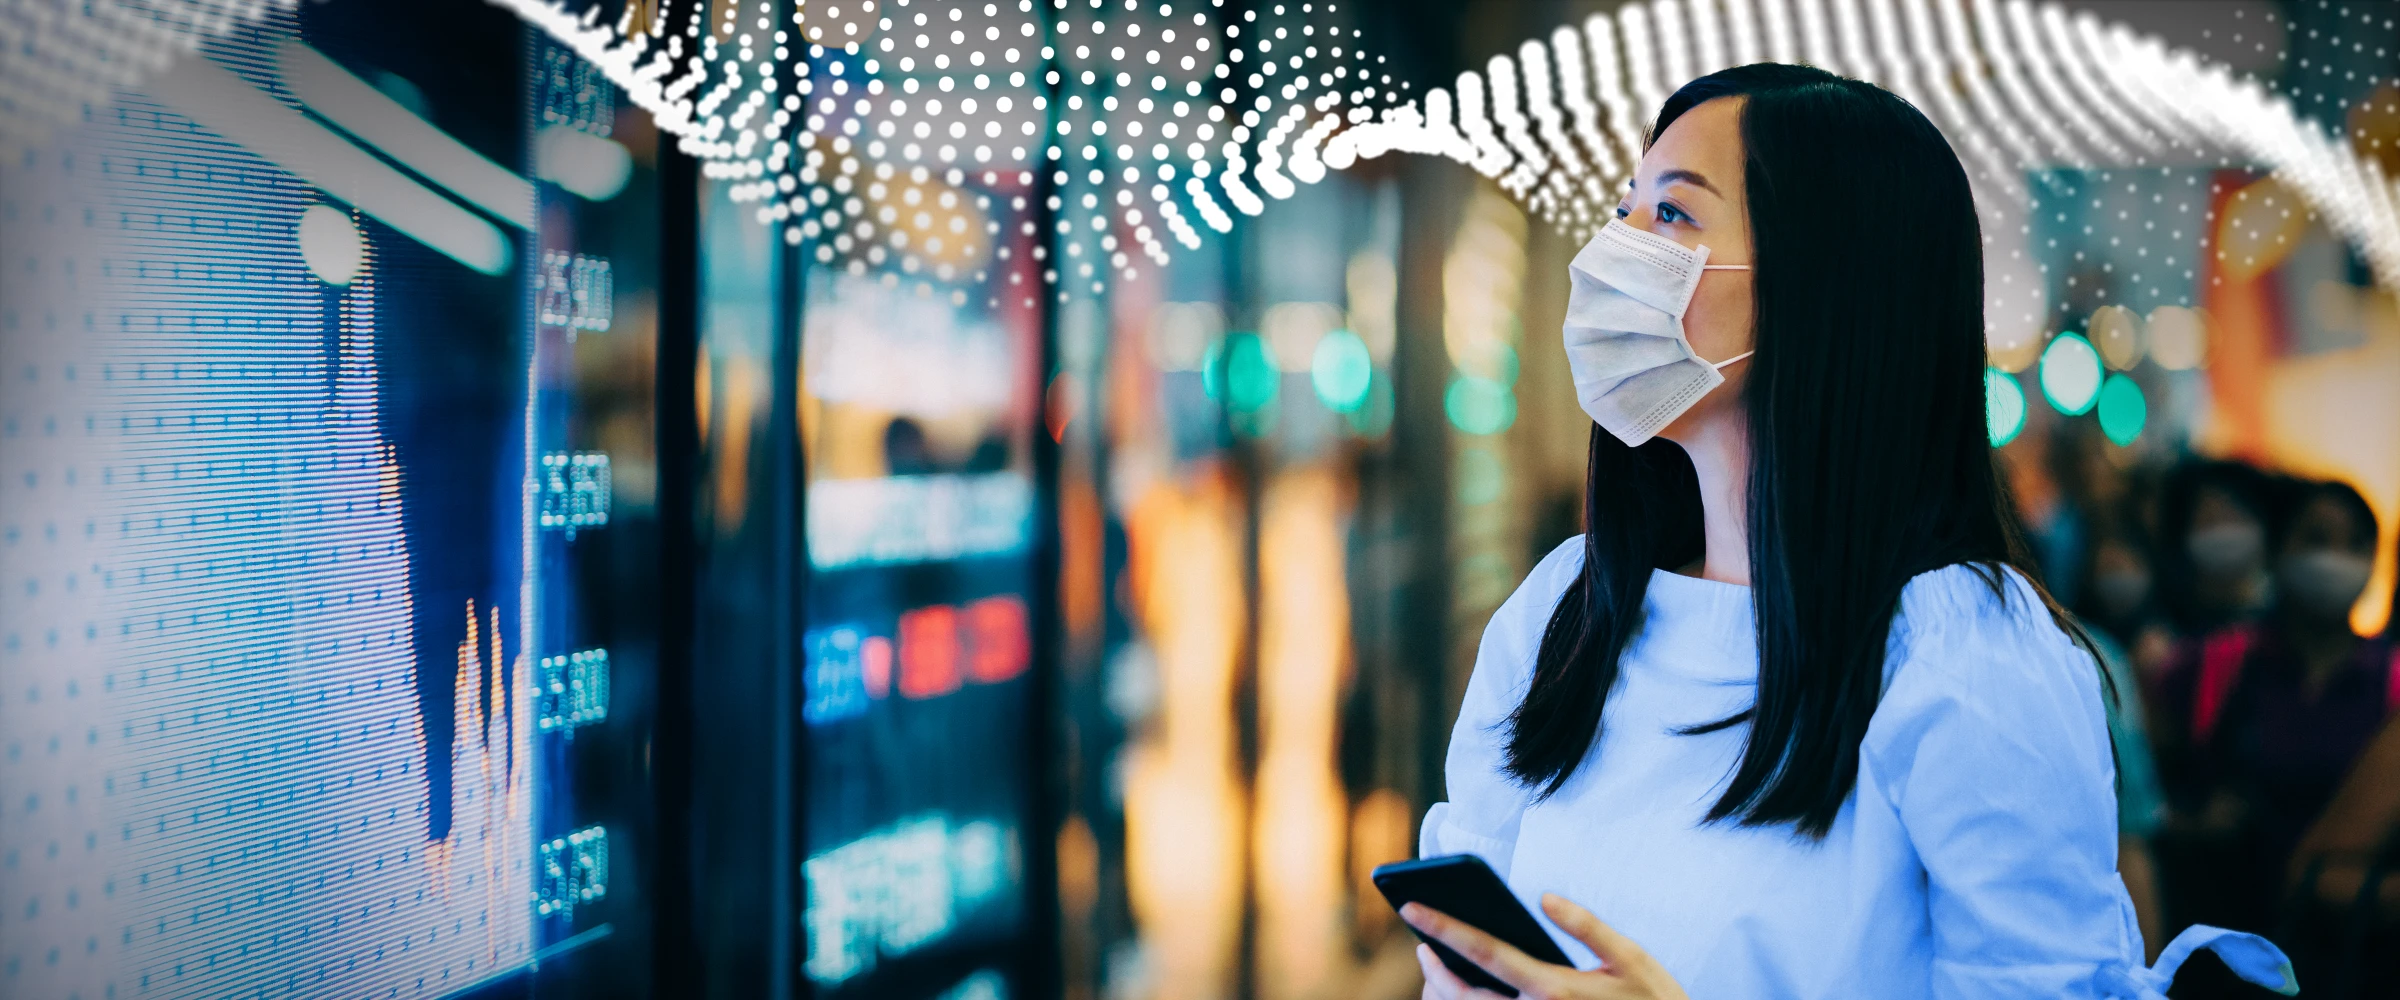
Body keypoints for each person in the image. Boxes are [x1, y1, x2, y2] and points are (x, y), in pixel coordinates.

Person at [1396, 64, 2293, 1000]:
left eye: (1672, 216)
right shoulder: (1567, 609)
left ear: (1824, 280)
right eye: (1624, 210)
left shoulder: (1965, 654)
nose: (1610, 253)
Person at [2154, 478, 2397, 955]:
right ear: (2279, 546)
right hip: (2224, 947)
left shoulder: (2390, 682)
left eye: (2355, 544)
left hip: (2349, 959)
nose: (2335, 558)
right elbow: (2142, 797)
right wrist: (2194, 822)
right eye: (2316, 539)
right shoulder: (2210, 665)